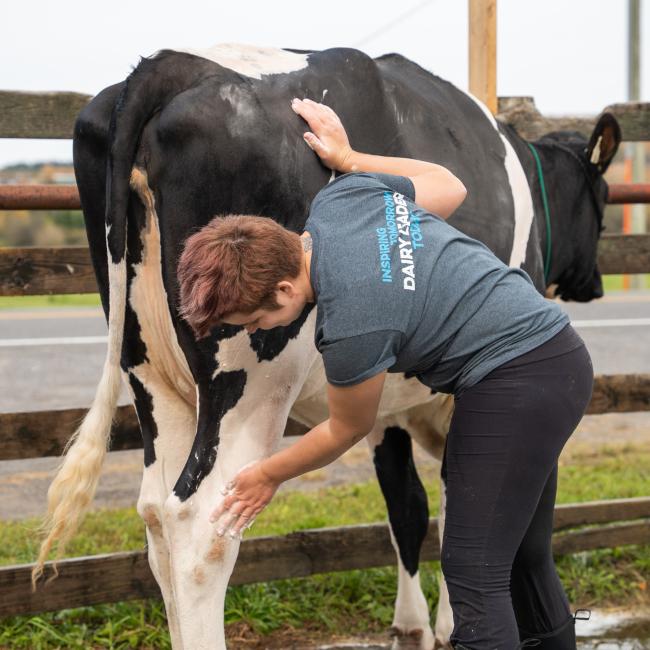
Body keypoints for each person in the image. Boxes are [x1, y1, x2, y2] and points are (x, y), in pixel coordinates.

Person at [177, 98, 594, 650]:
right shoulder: (343, 198)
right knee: (523, 554)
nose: (257, 331)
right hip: (555, 355)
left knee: (473, 574)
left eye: (256, 319)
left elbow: (345, 429)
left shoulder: (351, 324)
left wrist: (268, 473)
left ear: (283, 289)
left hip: (513, 383)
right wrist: (350, 157)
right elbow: (449, 185)